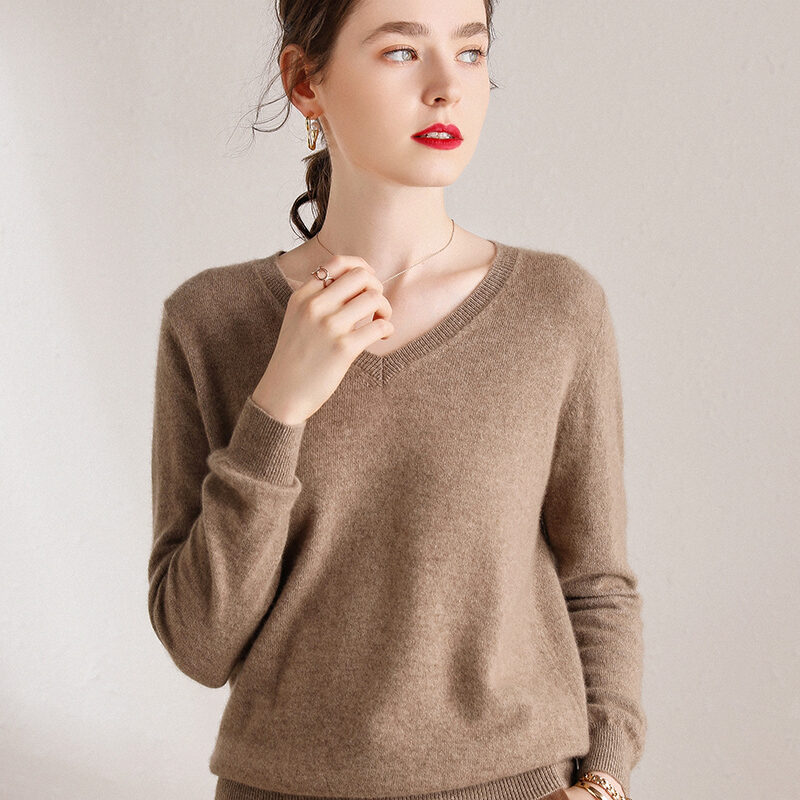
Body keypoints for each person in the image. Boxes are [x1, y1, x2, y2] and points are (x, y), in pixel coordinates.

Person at [147, 2, 646, 799]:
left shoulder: (557, 309)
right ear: (304, 81)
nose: (448, 86)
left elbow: (596, 583)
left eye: (471, 52)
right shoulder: (210, 322)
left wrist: (605, 781)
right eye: (402, 52)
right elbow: (200, 644)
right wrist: (280, 405)